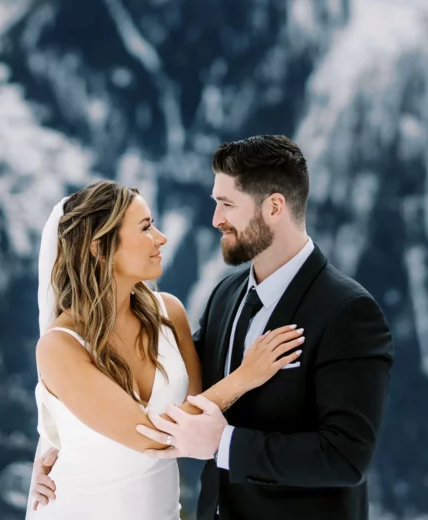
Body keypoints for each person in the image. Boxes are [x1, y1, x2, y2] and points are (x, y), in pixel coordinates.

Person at [135, 134, 395, 520]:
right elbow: (173, 386)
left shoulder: (349, 312)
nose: (215, 219)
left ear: (275, 206)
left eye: (227, 204)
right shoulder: (225, 294)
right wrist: (74, 448)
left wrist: (225, 443)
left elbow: (346, 458)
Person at [26, 179, 305, 518]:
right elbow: (152, 439)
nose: (162, 238)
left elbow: (200, 414)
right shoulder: (59, 346)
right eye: (146, 228)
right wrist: (247, 375)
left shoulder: (169, 313)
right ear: (100, 248)